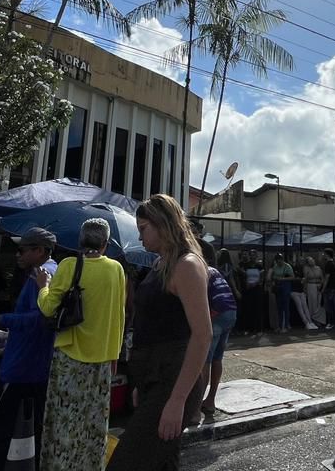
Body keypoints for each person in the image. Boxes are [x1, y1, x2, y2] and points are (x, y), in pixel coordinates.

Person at [107, 195, 211, 471]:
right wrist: (142, 385)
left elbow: (202, 336)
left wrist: (177, 401)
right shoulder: (158, 264)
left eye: (143, 228)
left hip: (172, 381)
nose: (139, 236)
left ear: (163, 225)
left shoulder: (187, 265)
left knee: (125, 464)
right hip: (154, 379)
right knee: (162, 463)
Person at [38, 219, 126, 471]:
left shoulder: (68, 265)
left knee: (64, 421)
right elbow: (119, 315)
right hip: (101, 358)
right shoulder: (116, 269)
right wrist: (115, 353)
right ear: (106, 244)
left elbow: (48, 307)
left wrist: (42, 287)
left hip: (69, 355)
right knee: (93, 423)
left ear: (81, 240)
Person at [0, 227, 58, 471]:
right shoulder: (43, 274)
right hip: (32, 362)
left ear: (40, 251)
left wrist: (1, 319)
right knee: (30, 429)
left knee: (0, 430)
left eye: (23, 249)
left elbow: (39, 318)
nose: (18, 255)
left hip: (24, 365)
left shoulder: (42, 276)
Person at [199, 264, 237, 419]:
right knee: (217, 358)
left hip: (217, 312)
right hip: (230, 311)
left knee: (204, 360)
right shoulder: (214, 270)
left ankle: (196, 406)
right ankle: (210, 400)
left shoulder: (199, 270)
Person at [269, 254, 295, 332]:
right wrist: (274, 279)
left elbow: (292, 277)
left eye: (280, 259)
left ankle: (286, 325)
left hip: (285, 287)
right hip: (278, 288)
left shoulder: (287, 266)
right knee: (279, 307)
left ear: (283, 259)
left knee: (286, 307)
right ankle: (280, 326)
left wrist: (282, 279)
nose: (279, 261)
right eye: (277, 260)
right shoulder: (275, 266)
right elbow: (272, 276)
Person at [321, 250, 335, 327]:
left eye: (324, 254)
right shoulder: (333, 264)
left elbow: (327, 277)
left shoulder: (328, 264)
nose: (323, 255)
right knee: (333, 305)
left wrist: (323, 288)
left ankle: (331, 322)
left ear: (327, 255)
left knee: (329, 306)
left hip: (329, 288)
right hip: (333, 287)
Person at [301, 256, 323, 329]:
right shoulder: (306, 268)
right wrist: (305, 289)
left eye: (312, 260)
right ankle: (313, 320)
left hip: (318, 287)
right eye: (309, 261)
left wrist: (320, 284)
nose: (311, 262)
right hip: (310, 286)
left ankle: (319, 320)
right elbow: (305, 279)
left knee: (318, 304)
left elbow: (322, 278)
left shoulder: (318, 268)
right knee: (312, 304)